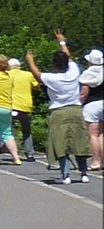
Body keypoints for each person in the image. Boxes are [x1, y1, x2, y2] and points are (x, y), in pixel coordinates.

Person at [26, 30, 90, 184]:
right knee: (79, 141)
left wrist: (30, 60)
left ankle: (65, 174)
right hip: (76, 110)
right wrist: (61, 41)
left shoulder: (52, 78)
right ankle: (83, 173)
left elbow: (37, 74)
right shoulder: (74, 72)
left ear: (54, 65)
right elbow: (69, 57)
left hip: (59, 112)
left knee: (60, 144)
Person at [8, 57, 40, 162]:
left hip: (11, 106)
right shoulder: (28, 75)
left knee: (6, 130)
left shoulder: (6, 75)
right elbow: (36, 86)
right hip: (25, 106)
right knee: (27, 130)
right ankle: (30, 154)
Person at [79, 48, 103, 172]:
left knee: (93, 135)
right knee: (101, 134)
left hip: (92, 105)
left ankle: (96, 161)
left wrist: (79, 104)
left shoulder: (88, 73)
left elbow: (84, 92)